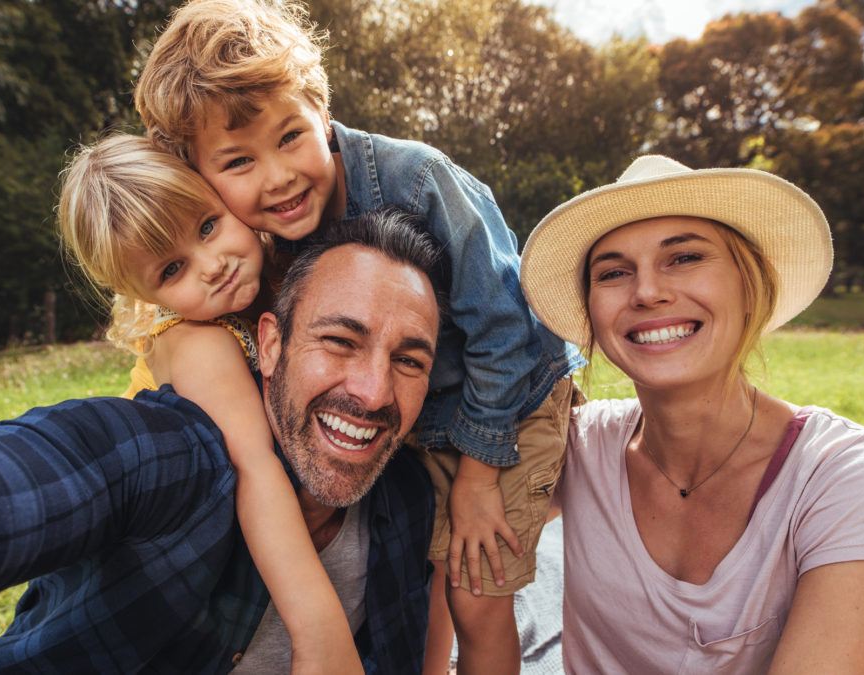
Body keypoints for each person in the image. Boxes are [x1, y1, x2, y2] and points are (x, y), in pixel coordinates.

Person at [133, 2, 586, 671]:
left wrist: (480, 475)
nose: (278, 175)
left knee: (477, 591)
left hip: (512, 403)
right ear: (201, 173)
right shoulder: (268, 239)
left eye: (290, 137)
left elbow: (509, 323)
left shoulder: (418, 180)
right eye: (238, 161)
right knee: (427, 570)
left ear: (321, 110)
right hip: (415, 413)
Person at [0, 211, 442, 673]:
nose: (371, 392)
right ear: (272, 343)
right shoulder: (170, 458)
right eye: (339, 340)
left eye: (410, 361)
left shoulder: (407, 499)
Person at [518, 154, 864, 672]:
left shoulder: (863, 483)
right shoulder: (577, 446)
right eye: (613, 272)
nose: (647, 292)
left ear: (751, 286)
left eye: (684, 258)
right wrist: (479, 481)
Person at [57, 132, 361, 672]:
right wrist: (320, 631)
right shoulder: (200, 344)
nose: (212, 264)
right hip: (160, 573)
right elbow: (255, 471)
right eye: (172, 269)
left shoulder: (267, 281)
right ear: (143, 295)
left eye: (207, 226)